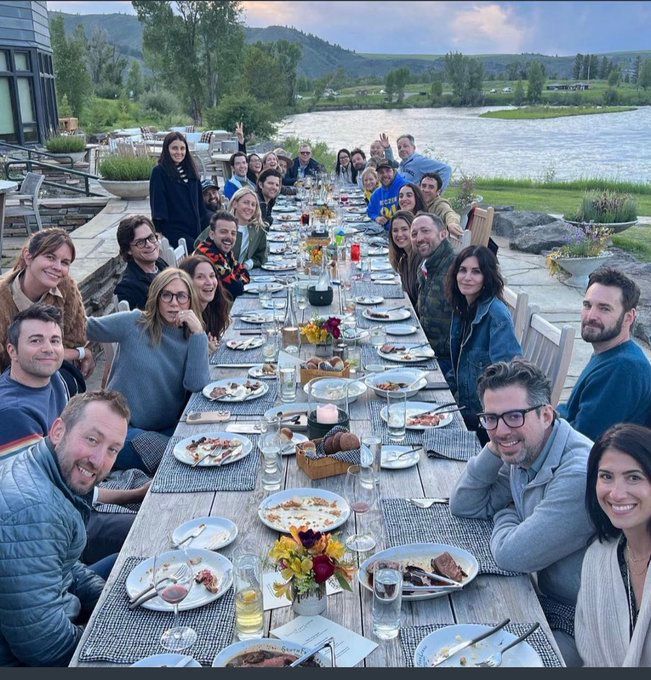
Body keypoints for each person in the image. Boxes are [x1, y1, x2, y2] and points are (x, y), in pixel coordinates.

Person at [450, 359, 594, 666]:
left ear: (546, 414)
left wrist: (509, 512)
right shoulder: (528, 448)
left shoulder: (577, 473)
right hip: (537, 595)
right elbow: (465, 505)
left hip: (579, 623)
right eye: (491, 417)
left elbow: (512, 557)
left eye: (514, 416)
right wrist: (495, 445)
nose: (502, 428)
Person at [0, 305, 148, 564]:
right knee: (149, 534)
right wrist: (132, 495)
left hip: (73, 496)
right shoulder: (13, 414)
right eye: (36, 340)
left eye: (55, 340)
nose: (49, 348)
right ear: (12, 350)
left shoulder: (54, 379)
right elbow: (45, 498)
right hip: (51, 529)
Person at [0, 389, 130, 666]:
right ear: (59, 431)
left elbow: (63, 564)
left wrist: (107, 601)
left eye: (112, 450)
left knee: (131, 571)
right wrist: (114, 635)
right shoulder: (34, 511)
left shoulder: (42, 466)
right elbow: (47, 648)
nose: (98, 460)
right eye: (92, 439)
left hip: (53, 611)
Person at [86, 268, 210, 473]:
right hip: (120, 429)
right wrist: (80, 353)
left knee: (204, 447)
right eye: (166, 295)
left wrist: (199, 334)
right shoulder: (134, 323)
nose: (174, 302)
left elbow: (196, 385)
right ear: (157, 297)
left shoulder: (191, 338)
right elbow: (85, 327)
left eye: (181, 296)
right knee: (185, 457)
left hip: (166, 429)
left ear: (190, 300)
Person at [575, 423, 651, 667]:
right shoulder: (597, 557)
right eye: (606, 476)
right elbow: (590, 655)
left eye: (634, 477)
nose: (617, 494)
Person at [558, 268, 651, 441]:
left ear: (628, 318)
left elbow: (582, 441)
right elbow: (570, 413)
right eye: (587, 305)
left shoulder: (623, 368)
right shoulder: (608, 353)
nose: (591, 316)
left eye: (605, 309)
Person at [445, 245, 522, 440]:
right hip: (462, 408)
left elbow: (508, 376)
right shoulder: (463, 307)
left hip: (484, 424)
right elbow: (459, 367)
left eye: (476, 272)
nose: (467, 277)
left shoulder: (497, 316)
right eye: (462, 270)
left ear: (487, 277)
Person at [0, 228, 93, 383]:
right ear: (28, 256)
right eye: (50, 257)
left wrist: (77, 351)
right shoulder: (3, 298)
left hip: (54, 374)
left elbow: (75, 339)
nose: (57, 267)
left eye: (64, 262)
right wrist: (80, 353)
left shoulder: (66, 287)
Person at [411, 212, 455, 376]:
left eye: (425, 231)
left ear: (443, 234)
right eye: (414, 234)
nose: (419, 238)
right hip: (424, 350)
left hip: (447, 362)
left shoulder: (456, 269)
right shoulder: (426, 266)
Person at [149, 131, 208, 248]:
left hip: (196, 230)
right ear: (167, 149)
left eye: (182, 148)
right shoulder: (159, 172)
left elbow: (200, 203)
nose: (179, 152)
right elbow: (158, 203)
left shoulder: (191, 170)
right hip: (174, 231)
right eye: (174, 148)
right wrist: (159, 230)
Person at [114, 215, 168, 311]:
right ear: (128, 250)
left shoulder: (160, 264)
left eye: (151, 237)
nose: (149, 245)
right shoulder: (127, 288)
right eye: (140, 242)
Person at [178, 254, 231, 353]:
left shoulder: (210, 309)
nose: (209, 282)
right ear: (187, 283)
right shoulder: (184, 320)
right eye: (200, 277)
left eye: (212, 276)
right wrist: (204, 351)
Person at [194, 210, 251, 300]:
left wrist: (237, 278)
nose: (229, 237)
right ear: (212, 235)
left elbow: (245, 273)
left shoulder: (225, 252)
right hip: (208, 307)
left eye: (233, 233)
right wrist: (237, 277)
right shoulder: (208, 253)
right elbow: (236, 288)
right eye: (223, 232)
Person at [388, 211, 420, 307]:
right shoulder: (404, 259)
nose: (399, 234)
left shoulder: (420, 259)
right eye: (395, 230)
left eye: (404, 229)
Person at [420, 172, 463, 239]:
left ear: (438, 192)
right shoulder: (417, 201)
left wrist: (452, 223)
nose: (426, 190)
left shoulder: (440, 204)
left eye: (431, 187)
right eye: (424, 186)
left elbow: (449, 213)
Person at [366, 159, 407, 229]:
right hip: (384, 233)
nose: (385, 175)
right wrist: (376, 218)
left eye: (388, 171)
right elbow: (370, 212)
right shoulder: (376, 195)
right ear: (377, 175)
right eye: (381, 172)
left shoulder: (406, 186)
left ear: (394, 171)